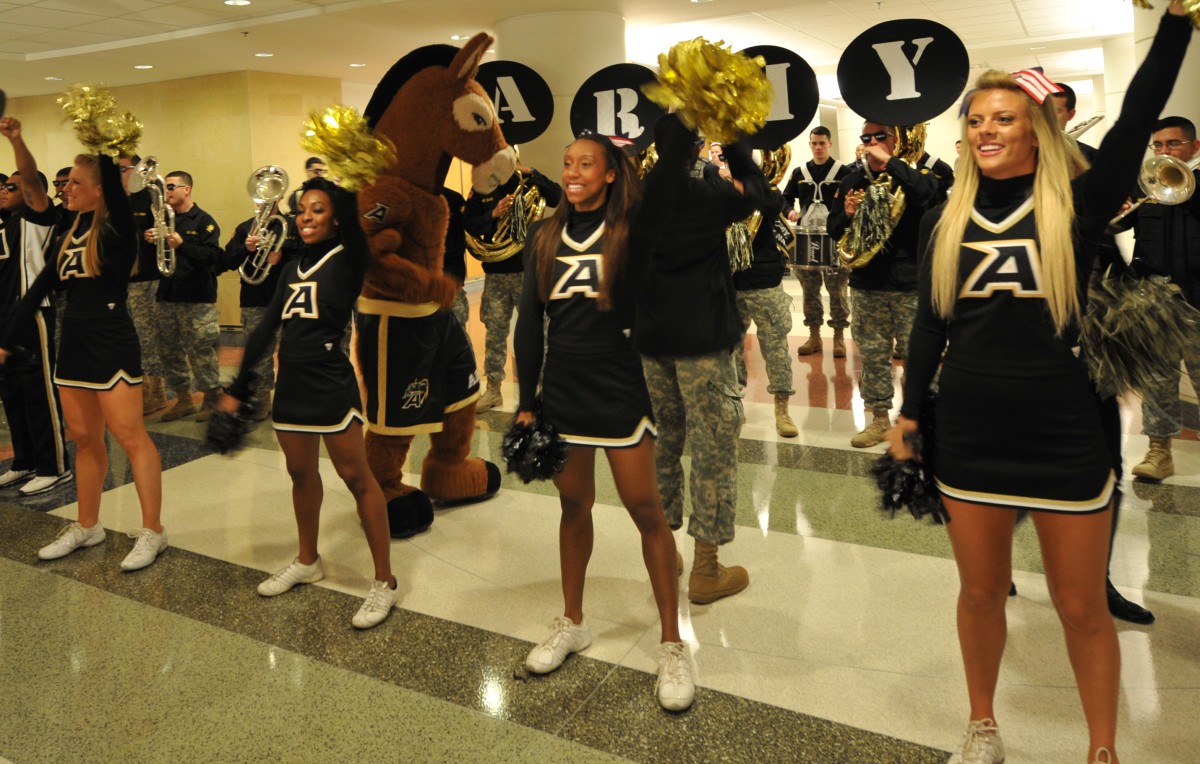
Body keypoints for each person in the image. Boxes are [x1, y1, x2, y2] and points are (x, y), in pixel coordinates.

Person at [886, 8, 1192, 763]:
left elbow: (1138, 116)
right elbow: (929, 327)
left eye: (1005, 118)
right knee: (981, 594)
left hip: (1066, 431)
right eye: (977, 120)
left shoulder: (1077, 204)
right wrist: (906, 416)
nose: (987, 129)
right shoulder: (944, 218)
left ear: (1035, 130)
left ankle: (1101, 750)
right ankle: (982, 725)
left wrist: (1179, 21)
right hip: (970, 432)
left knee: (1083, 607)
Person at [513, 132, 691, 711]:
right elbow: (528, 322)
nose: (572, 172)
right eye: (567, 163)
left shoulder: (631, 231)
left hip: (619, 387)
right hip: (563, 390)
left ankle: (672, 643)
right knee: (573, 506)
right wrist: (526, 399)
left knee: (646, 510)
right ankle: (572, 621)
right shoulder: (543, 235)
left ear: (611, 173)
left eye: (585, 163)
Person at [218, 177, 397, 630]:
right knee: (300, 475)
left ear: (336, 217)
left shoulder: (350, 256)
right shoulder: (291, 266)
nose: (306, 217)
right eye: (302, 210)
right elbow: (264, 329)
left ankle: (384, 581)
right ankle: (307, 559)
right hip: (292, 385)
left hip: (330, 383)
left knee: (358, 478)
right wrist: (238, 386)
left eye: (318, 209)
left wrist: (346, 171)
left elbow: (355, 224)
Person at [0, 135, 167, 572]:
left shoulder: (118, 225)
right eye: (65, 183)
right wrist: (6, 340)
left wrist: (104, 142)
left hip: (111, 341)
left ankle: (154, 531)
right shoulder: (66, 227)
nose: (65, 188)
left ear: (99, 188)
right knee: (86, 439)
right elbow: (39, 287)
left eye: (74, 182)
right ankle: (88, 525)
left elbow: (113, 185)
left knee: (130, 437)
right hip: (72, 342)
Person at [634, 114, 771, 606]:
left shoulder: (639, 190)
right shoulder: (706, 188)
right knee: (712, 442)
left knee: (664, 440)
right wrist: (731, 136)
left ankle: (664, 554)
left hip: (653, 338)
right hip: (702, 336)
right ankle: (707, 569)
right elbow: (757, 190)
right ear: (695, 145)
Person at [827, 123, 938, 448]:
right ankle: (877, 420)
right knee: (873, 356)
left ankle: (922, 420)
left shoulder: (916, 174)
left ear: (896, 140)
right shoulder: (852, 181)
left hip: (910, 287)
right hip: (867, 286)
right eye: (866, 138)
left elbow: (927, 195)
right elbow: (835, 229)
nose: (872, 143)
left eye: (880, 137)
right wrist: (846, 215)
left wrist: (892, 163)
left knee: (919, 358)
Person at [1122, 116, 1200, 483]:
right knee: (1156, 381)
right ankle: (1159, 453)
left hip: (1198, 298)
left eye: (1173, 144)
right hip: (1154, 298)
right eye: (1159, 146)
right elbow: (1119, 223)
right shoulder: (1148, 185)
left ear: (1194, 147)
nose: (1165, 152)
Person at [0, 118, 72, 495]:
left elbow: (28, 175)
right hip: (3, 320)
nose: (5, 190)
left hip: (33, 317)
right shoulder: (5, 224)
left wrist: (15, 139)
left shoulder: (37, 219)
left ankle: (54, 466)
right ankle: (25, 461)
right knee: (12, 394)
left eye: (12, 187)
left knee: (39, 392)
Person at [464, 161, 562, 412]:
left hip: (527, 272)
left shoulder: (528, 182)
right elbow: (469, 225)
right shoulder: (482, 187)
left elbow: (557, 197)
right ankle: (494, 389)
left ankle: (546, 388)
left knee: (538, 330)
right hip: (496, 274)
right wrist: (493, 214)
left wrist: (534, 172)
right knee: (494, 333)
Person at [219, 197, 299, 421]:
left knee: (292, 352)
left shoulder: (291, 225)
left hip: (288, 298)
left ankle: (289, 399)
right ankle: (262, 399)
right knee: (259, 356)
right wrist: (245, 248)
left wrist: (284, 258)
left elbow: (308, 260)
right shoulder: (245, 228)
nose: (264, 198)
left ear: (280, 195)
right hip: (255, 298)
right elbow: (226, 261)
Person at [153, 170, 223, 423]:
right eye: (165, 188)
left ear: (187, 189)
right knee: (168, 349)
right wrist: (151, 239)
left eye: (171, 187)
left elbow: (214, 258)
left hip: (196, 296)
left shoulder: (203, 221)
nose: (167, 193)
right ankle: (183, 399)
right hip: (167, 294)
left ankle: (213, 397)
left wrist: (183, 245)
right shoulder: (163, 219)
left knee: (200, 348)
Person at [783, 126, 852, 357]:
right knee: (809, 290)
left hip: (834, 238)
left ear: (829, 143)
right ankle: (814, 336)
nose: (818, 147)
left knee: (837, 290)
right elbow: (785, 198)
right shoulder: (800, 173)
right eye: (814, 143)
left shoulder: (844, 171)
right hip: (806, 240)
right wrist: (789, 211)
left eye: (822, 143)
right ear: (810, 144)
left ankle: (839, 337)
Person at [117, 153, 167, 416]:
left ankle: (155, 391)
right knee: (130, 337)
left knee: (147, 337)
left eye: (124, 168)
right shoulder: (117, 200)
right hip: (122, 279)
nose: (120, 173)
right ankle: (136, 387)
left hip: (145, 276)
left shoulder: (149, 196)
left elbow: (161, 230)